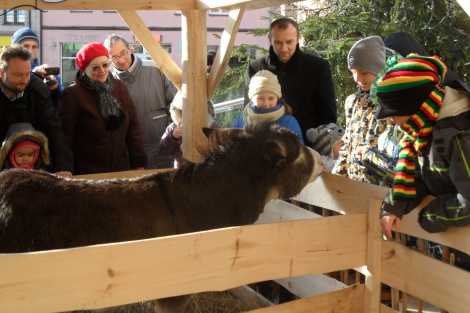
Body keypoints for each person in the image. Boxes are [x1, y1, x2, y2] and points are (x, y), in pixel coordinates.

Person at [374, 54, 470, 237]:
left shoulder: (458, 136)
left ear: (414, 106)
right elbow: (418, 177)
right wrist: (394, 207)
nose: (390, 121)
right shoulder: (424, 129)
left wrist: (433, 215)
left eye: (393, 113)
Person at [58, 42, 148, 175]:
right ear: (84, 69)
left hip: (119, 169)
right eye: (95, 67)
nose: (102, 70)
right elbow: (64, 136)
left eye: (105, 64)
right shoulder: (72, 94)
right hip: (87, 173)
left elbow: (133, 127)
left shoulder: (119, 87)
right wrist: (65, 167)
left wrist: (138, 162)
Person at [244, 17, 336, 146]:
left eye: (289, 42)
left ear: (298, 38)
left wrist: (318, 150)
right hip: (265, 148)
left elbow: (328, 115)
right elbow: (248, 110)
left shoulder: (318, 66)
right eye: (278, 42)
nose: (283, 48)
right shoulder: (255, 67)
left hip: (308, 147)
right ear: (270, 40)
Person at [104, 35, 177, 169]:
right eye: (114, 57)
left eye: (123, 53)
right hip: (132, 158)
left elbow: (175, 107)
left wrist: (170, 141)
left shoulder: (155, 69)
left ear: (130, 49)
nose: (120, 60)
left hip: (163, 151)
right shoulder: (109, 84)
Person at [0, 44, 72, 177]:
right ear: (1, 72)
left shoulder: (38, 91)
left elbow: (54, 129)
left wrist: (62, 166)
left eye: (27, 74)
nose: (24, 80)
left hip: (31, 166)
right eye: (18, 75)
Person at [332, 36, 388, 184]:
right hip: (353, 184)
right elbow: (347, 145)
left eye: (363, 72)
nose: (357, 78)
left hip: (378, 188)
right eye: (353, 72)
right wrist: (337, 177)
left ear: (378, 69)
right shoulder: (352, 102)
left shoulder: (389, 103)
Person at [233, 70, 304, 144]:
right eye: (260, 98)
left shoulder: (288, 121)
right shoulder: (242, 117)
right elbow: (232, 141)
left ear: (277, 98)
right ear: (251, 99)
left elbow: (298, 149)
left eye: (271, 98)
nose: (266, 103)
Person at [158, 92, 221, 168]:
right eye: (185, 110)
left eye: (195, 109)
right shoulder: (174, 127)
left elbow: (222, 150)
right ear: (179, 111)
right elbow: (164, 152)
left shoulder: (212, 126)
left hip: (207, 169)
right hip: (183, 171)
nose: (191, 114)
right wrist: (173, 136)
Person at [11, 27, 64, 110]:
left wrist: (55, 90)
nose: (30, 51)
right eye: (25, 46)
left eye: (34, 47)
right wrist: (33, 76)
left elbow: (63, 104)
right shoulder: (6, 72)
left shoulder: (48, 75)